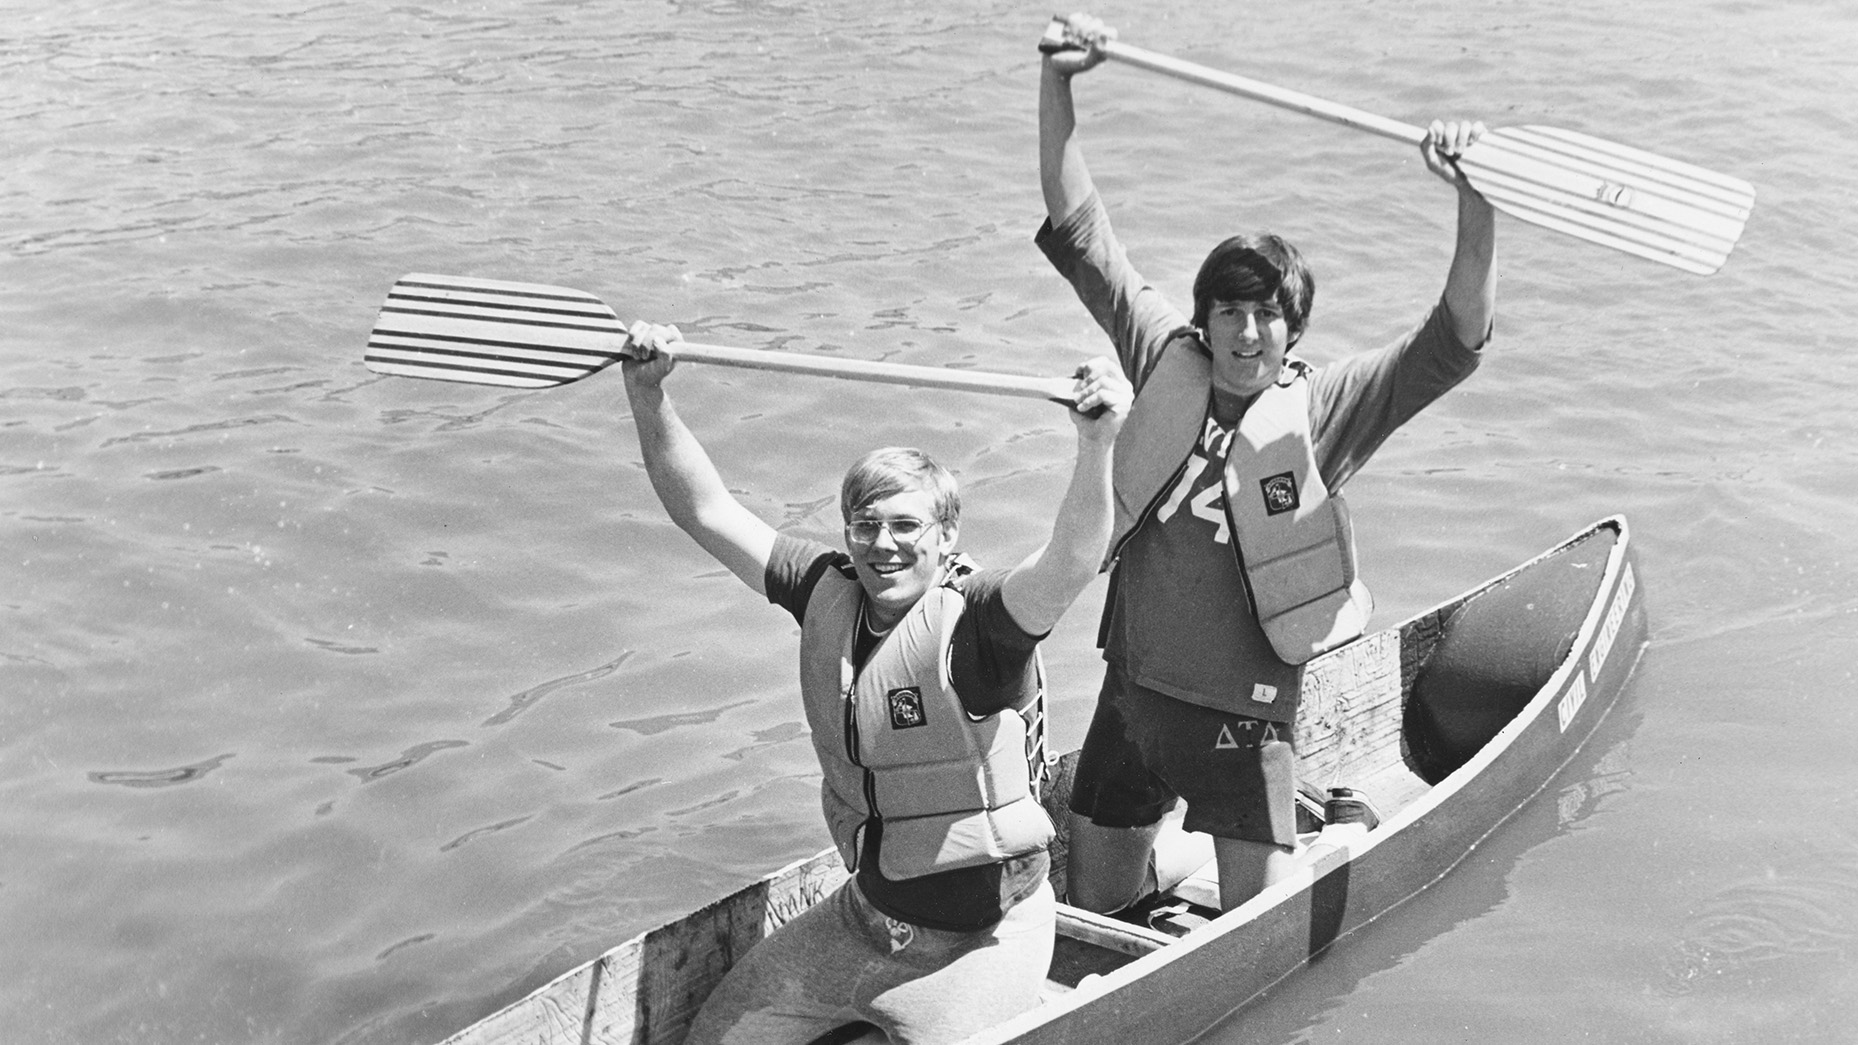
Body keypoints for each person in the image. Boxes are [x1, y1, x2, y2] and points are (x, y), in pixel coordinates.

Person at [1035, 14, 1499, 915]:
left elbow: (1454, 343)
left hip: (1242, 721)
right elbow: (1080, 228)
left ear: (1294, 329)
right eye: (1229, 312)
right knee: (1094, 915)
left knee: (1249, 935)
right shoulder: (1165, 357)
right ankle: (1180, 867)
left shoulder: (1325, 408)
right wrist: (1058, 84)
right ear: (1204, 318)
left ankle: (1332, 829)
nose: (1246, 334)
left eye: (1267, 316)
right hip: (1130, 694)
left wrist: (1473, 196)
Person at [618, 322, 1132, 1045]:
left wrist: (1096, 442)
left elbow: (1074, 558)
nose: (882, 544)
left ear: (947, 534)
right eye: (865, 525)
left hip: (983, 942)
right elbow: (706, 510)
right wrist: (649, 396)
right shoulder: (823, 587)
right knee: (713, 1037)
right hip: (864, 923)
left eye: (905, 525)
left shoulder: (985, 624)